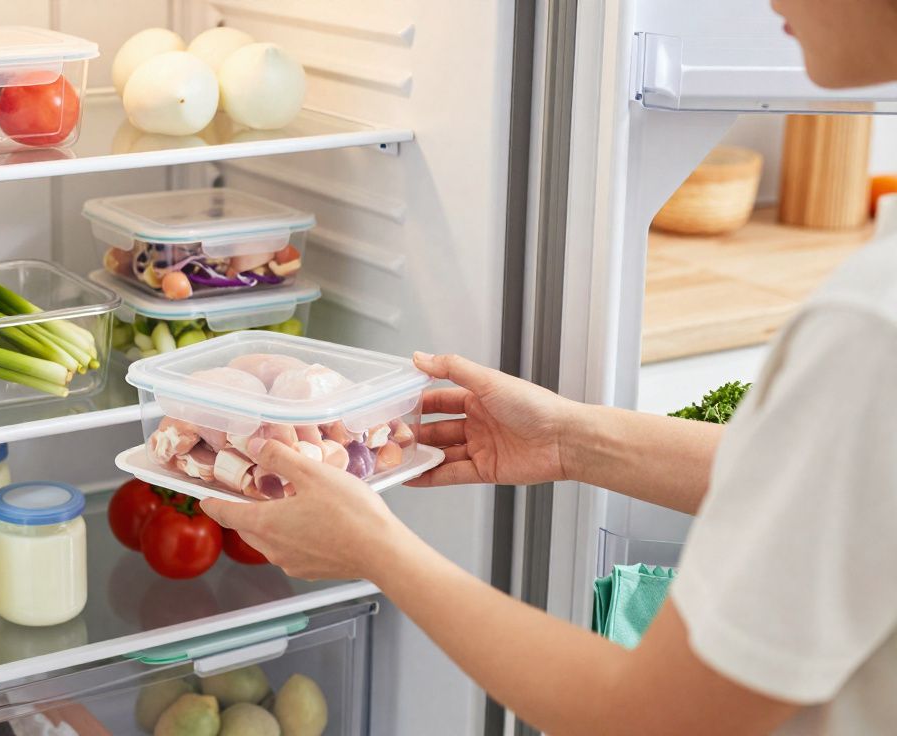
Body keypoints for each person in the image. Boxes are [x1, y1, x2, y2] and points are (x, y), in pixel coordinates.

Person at [200, 1, 897, 732]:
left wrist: (377, 548)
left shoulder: (867, 329)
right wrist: (573, 441)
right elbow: (843, 486)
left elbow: (653, 718)